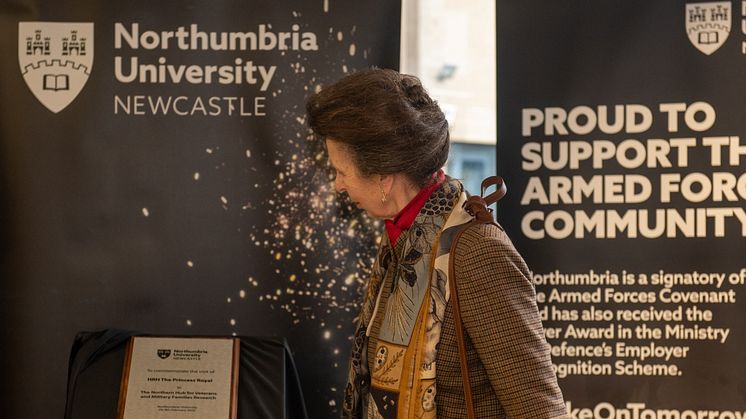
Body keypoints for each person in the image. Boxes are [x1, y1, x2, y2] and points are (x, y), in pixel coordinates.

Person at [306, 68, 567, 419]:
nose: (338, 185)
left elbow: (539, 409)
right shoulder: (401, 242)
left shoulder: (477, 251)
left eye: (341, 171)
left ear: (383, 175)